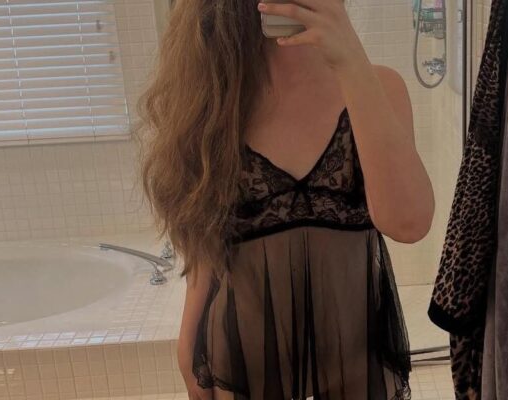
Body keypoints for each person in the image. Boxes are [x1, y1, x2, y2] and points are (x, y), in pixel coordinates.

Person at [138, 0, 435, 399]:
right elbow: (204, 238)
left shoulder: (378, 87)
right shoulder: (210, 101)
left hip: (355, 355)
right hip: (245, 358)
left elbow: (410, 223)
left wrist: (350, 58)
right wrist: (189, 341)